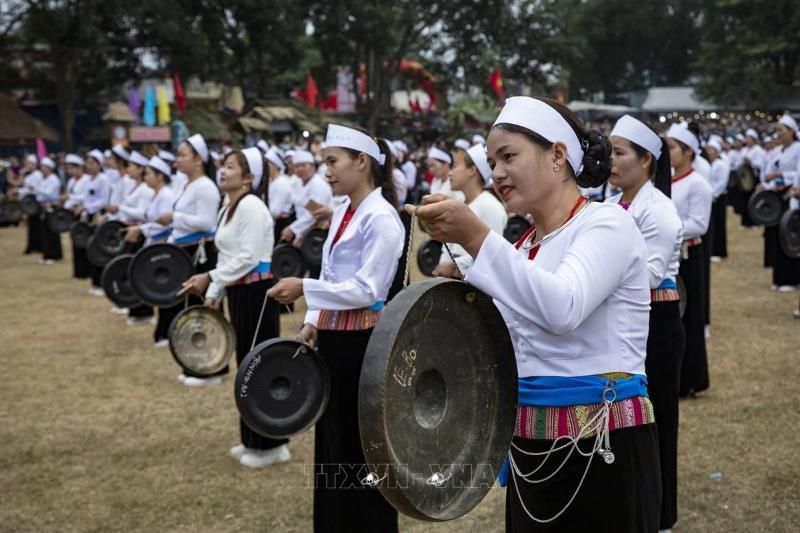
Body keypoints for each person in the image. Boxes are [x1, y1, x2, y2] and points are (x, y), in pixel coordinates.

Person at [413, 96, 660, 532]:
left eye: (509, 156)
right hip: (531, 447)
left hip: (603, 447)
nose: (498, 172)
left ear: (558, 156)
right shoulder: (525, 245)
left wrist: (475, 235)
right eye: (492, 161)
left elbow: (563, 306)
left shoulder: (606, 224)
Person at [268, 124, 404, 533]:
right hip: (334, 339)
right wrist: (312, 321)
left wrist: (304, 288)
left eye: (332, 161)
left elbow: (368, 289)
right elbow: (331, 270)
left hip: (363, 345)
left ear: (361, 162)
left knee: (362, 449)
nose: (325, 171)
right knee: (334, 441)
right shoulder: (346, 209)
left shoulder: (382, 218)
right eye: (324, 162)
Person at [182, 147, 290, 468]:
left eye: (231, 167)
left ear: (249, 178)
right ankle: (252, 440)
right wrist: (215, 289)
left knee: (259, 366)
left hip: (257, 292)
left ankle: (272, 445)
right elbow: (227, 258)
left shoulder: (253, 207)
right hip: (238, 292)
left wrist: (209, 278)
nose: (223, 171)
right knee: (246, 363)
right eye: (224, 165)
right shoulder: (226, 208)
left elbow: (247, 258)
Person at [608, 114, 685, 532]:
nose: (612, 162)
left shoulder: (660, 211)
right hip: (628, 320)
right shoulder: (614, 204)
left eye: (620, 153)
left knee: (659, 422)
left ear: (646, 161)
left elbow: (648, 276)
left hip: (656, 322)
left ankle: (661, 515)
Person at [154, 134, 224, 385]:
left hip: (200, 255)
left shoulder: (205, 186)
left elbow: (208, 223)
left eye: (183, 154)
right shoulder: (186, 185)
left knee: (203, 312)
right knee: (190, 311)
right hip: (186, 253)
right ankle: (196, 364)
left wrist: (174, 217)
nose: (177, 160)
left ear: (198, 160)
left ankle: (212, 368)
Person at [666, 124, 712, 397]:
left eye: (672, 147)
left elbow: (699, 224)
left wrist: (667, 227)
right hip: (669, 255)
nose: (668, 153)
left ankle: (691, 379)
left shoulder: (698, 184)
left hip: (688, 256)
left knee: (690, 316)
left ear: (687, 151)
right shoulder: (667, 179)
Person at [124, 157, 177, 345]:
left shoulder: (167, 195)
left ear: (160, 176)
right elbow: (152, 221)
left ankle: (166, 333)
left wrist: (141, 230)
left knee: (166, 292)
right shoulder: (157, 195)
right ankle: (162, 333)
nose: (145, 177)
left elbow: (165, 226)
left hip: (164, 248)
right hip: (154, 245)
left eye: (148, 174)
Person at [433, 143, 507, 278]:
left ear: (472, 170)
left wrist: (456, 265)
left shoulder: (490, 206)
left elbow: (493, 254)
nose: (450, 172)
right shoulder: (460, 203)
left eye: (455, 166)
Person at [761, 114, 800, 292]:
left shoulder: (798, 149)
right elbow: (768, 171)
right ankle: (780, 277)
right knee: (778, 234)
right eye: (776, 130)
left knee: (790, 236)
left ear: (792, 131)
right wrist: (768, 184)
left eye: (781, 130)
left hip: (791, 195)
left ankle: (791, 279)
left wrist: (781, 177)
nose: (778, 134)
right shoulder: (778, 152)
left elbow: (796, 174)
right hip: (777, 196)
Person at [81, 150, 111, 296]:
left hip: (99, 215)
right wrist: (84, 212)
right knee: (92, 249)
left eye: (92, 163)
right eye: (87, 163)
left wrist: (89, 208)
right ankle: (94, 280)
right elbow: (86, 198)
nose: (89, 166)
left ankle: (101, 282)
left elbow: (104, 200)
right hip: (90, 215)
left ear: (100, 164)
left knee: (100, 250)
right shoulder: (88, 180)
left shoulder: (103, 179)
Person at [63, 154, 91, 279]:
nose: (70, 171)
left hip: (83, 213)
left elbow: (86, 197)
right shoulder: (71, 181)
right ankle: (78, 270)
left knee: (84, 242)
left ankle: (86, 270)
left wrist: (72, 199)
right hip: (72, 214)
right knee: (75, 242)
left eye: (72, 168)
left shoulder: (87, 180)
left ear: (79, 168)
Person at [35, 157, 64, 264]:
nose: (42, 169)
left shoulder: (54, 179)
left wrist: (38, 189)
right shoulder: (44, 179)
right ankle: (46, 254)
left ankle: (54, 254)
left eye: (44, 167)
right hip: (43, 206)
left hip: (52, 206)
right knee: (44, 231)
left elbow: (49, 193)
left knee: (52, 231)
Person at [706, 137, 730, 260]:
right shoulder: (710, 164)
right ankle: (713, 249)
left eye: (711, 149)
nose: (709, 152)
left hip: (718, 198)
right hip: (711, 197)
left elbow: (721, 183)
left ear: (717, 151)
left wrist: (712, 195)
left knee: (719, 224)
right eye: (708, 149)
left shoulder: (721, 164)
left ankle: (719, 251)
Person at [20, 155, 44, 255]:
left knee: (37, 224)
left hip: (35, 201)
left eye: (30, 164)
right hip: (29, 202)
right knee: (32, 224)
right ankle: (33, 245)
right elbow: (24, 187)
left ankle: (38, 246)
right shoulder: (28, 176)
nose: (28, 165)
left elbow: (33, 189)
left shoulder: (37, 174)